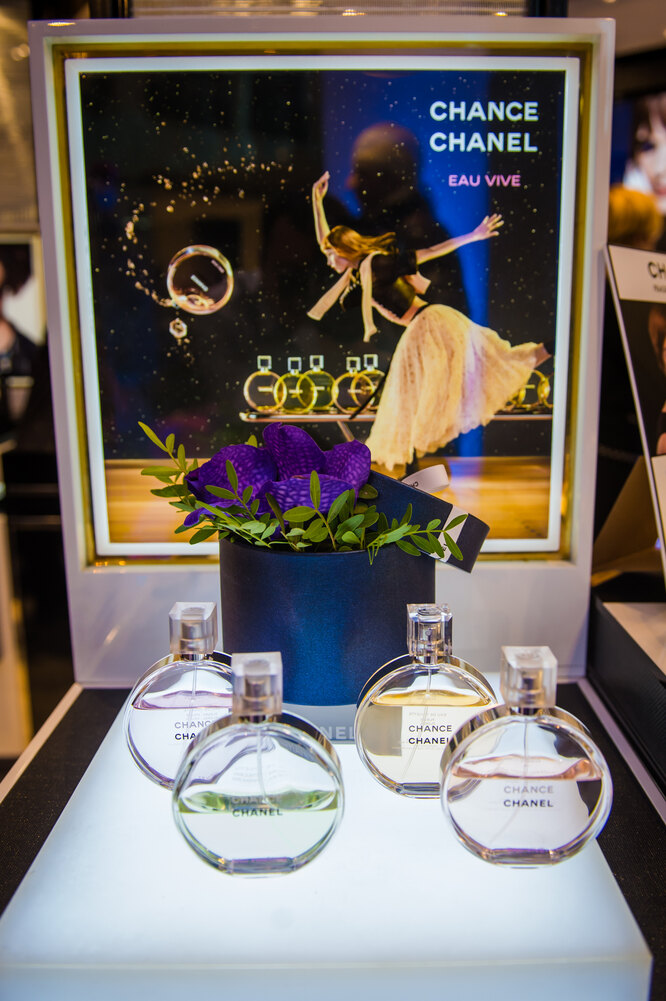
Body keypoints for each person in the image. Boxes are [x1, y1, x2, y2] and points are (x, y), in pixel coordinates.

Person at [308, 171, 550, 473]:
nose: (329, 260)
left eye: (332, 255)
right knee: (413, 396)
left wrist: (473, 236)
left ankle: (548, 348)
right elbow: (324, 241)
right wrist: (316, 200)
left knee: (435, 387)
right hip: (420, 328)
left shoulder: (378, 264)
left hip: (429, 324)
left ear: (345, 251)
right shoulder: (358, 274)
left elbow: (429, 252)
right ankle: (413, 467)